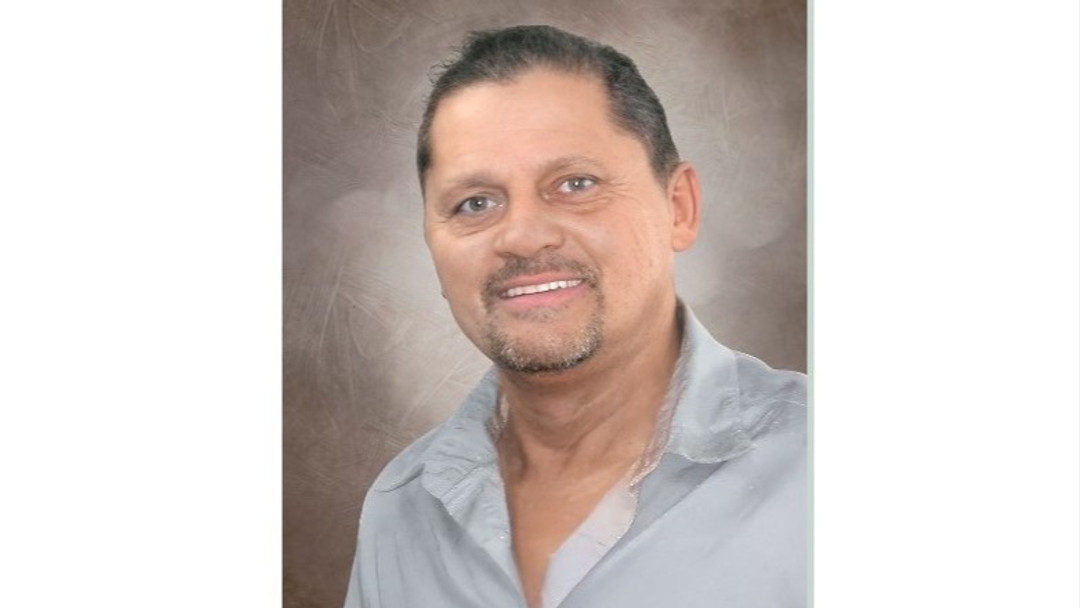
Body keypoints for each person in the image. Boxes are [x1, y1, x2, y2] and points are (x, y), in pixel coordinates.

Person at [344, 24, 806, 608]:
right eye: (475, 203)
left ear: (679, 208)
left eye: (575, 184)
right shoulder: (401, 513)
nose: (522, 236)